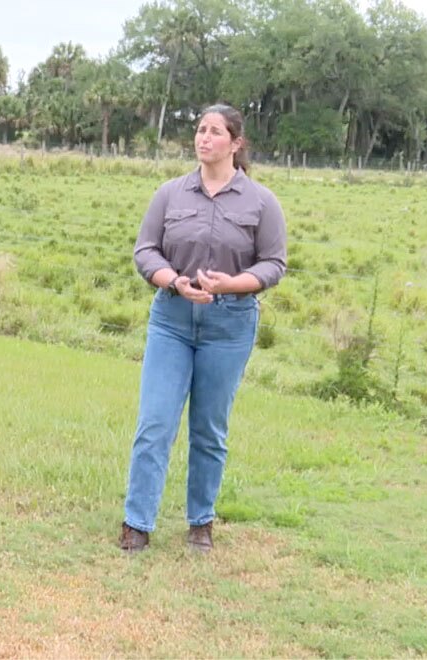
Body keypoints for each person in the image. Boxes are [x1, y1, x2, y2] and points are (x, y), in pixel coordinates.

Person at [119, 103, 287, 554]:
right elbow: (145, 251)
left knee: (209, 428)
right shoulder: (169, 194)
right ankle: (137, 522)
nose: (204, 138)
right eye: (200, 129)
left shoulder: (262, 202)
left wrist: (235, 284)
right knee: (155, 421)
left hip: (229, 325)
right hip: (172, 319)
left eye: (215, 131)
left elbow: (274, 263)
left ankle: (200, 522)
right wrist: (173, 280)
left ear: (236, 143)